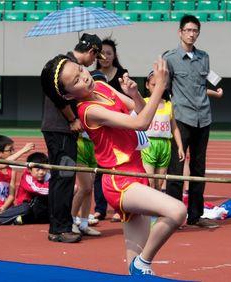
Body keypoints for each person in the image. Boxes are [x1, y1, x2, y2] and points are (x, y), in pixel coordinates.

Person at [40, 54, 186, 276]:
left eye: (80, 70)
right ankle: (143, 262)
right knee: (177, 211)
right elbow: (140, 122)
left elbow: (140, 111)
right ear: (69, 94)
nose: (84, 77)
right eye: (76, 81)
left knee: (136, 271)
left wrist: (136, 94)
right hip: (120, 182)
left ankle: (139, 265)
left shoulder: (100, 85)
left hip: (137, 173)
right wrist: (161, 87)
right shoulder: (87, 111)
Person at [41, 33, 105, 243]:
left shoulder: (68, 63)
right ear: (92, 51)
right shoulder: (63, 65)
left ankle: (58, 226)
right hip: (60, 130)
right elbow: (55, 95)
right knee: (64, 178)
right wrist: (71, 120)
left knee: (62, 179)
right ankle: (60, 228)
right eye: (95, 57)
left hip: (59, 130)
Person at [163, 15, 223, 229]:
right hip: (181, 118)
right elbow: (165, 88)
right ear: (180, 32)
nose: (191, 34)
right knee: (176, 168)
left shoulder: (204, 57)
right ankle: (172, 215)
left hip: (203, 118)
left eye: (195, 30)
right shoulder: (169, 58)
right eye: (188, 30)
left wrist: (215, 92)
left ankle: (196, 216)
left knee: (199, 168)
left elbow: (203, 83)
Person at [142, 71, 185, 190]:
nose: (156, 88)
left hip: (165, 146)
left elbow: (174, 127)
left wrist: (180, 146)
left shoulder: (168, 105)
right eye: (153, 85)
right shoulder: (143, 103)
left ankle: (155, 208)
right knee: (149, 181)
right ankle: (147, 207)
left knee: (159, 184)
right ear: (147, 85)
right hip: (148, 145)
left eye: (159, 85)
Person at [14, 152, 50, 224]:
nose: (41, 172)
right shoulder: (27, 177)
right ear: (29, 170)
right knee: (41, 198)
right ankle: (23, 218)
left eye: (44, 169)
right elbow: (37, 189)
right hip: (25, 207)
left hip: (37, 208)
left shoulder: (47, 176)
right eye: (38, 169)